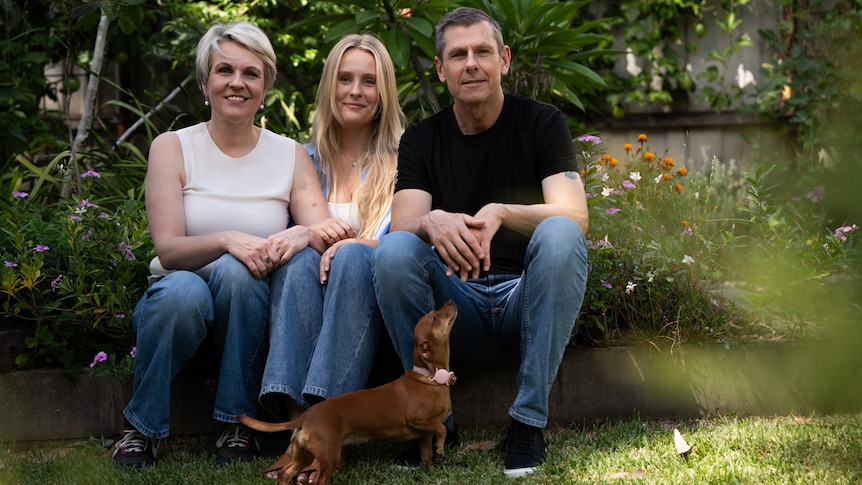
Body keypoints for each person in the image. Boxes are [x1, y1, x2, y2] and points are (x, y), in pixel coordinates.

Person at [112, 21, 346, 468]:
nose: (237, 82)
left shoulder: (289, 154)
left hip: (249, 320)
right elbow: (168, 250)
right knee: (184, 288)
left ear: (265, 88)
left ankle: (238, 421)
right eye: (224, 71)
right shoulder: (173, 147)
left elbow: (325, 230)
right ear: (206, 83)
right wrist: (227, 240)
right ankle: (141, 428)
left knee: (239, 274)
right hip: (175, 318)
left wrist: (303, 231)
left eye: (251, 73)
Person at [370, 7, 589, 479]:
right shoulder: (422, 140)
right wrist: (432, 222)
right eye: (458, 54)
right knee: (393, 250)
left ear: (504, 60)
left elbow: (576, 215)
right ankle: (431, 424)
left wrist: (504, 212)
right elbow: (404, 223)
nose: (471, 63)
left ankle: (528, 424)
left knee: (561, 232)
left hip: (523, 302)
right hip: (455, 311)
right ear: (441, 69)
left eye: (482, 52)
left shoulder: (542, 122)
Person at [258, 33, 403, 482]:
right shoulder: (301, 158)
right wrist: (305, 233)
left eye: (368, 81)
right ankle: (299, 424)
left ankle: (323, 428)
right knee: (298, 260)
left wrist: (358, 245)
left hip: (369, 305)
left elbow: (409, 247)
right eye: (345, 78)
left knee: (355, 260)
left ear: (384, 94)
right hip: (309, 298)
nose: (355, 91)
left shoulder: (406, 160)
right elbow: (282, 240)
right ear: (329, 85)